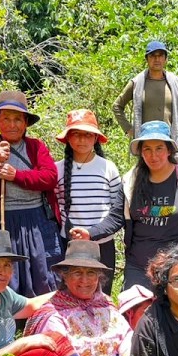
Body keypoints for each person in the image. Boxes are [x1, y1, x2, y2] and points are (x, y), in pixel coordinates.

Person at [23, 240, 132, 356]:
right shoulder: (53, 314)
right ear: (64, 277)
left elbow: (127, 335)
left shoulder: (104, 304)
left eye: (91, 273)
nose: (85, 280)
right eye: (77, 273)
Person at [0, 90, 61, 297]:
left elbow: (50, 177)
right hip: (2, 219)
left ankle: (40, 314)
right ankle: (8, 315)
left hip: (35, 218)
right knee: (5, 270)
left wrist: (17, 175)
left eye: (17, 119)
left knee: (41, 269)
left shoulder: (35, 147)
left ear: (25, 123)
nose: (12, 124)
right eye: (6, 118)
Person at [122, 121, 178, 292]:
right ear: (140, 152)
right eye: (147, 149)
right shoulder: (130, 180)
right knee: (137, 316)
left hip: (177, 270)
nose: (153, 155)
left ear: (169, 150)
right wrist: (91, 232)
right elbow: (117, 218)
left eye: (159, 148)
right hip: (139, 267)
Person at [55, 109, 124, 292]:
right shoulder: (58, 169)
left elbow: (117, 209)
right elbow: (55, 207)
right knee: (71, 294)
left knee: (102, 294)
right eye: (76, 134)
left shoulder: (108, 168)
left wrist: (93, 232)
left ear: (95, 138)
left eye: (87, 135)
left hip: (102, 244)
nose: (82, 140)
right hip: (69, 245)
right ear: (68, 138)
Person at [113, 40, 178, 161]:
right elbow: (117, 106)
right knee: (144, 177)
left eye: (160, 55)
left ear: (165, 59)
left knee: (173, 176)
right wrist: (129, 129)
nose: (157, 59)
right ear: (147, 59)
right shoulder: (137, 82)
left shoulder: (175, 83)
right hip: (145, 144)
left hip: (169, 144)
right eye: (152, 56)